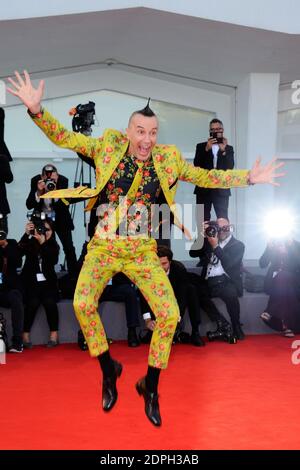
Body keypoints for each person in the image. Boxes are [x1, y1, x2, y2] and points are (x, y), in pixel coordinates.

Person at [7, 70, 283, 427]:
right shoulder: (107, 145)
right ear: (128, 132)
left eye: (153, 133)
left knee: (168, 314)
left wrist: (247, 177)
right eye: (141, 131)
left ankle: (149, 386)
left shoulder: (166, 159)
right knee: (81, 303)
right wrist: (36, 110)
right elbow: (65, 138)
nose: (147, 139)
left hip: (140, 250)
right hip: (105, 246)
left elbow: (205, 176)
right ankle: (109, 369)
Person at [140, 245, 205, 346]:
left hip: (176, 300)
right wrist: (148, 320)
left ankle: (195, 332)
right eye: (158, 264)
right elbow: (144, 295)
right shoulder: (150, 271)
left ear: (170, 262)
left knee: (191, 289)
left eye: (164, 264)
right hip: (159, 301)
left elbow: (182, 296)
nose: (161, 267)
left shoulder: (179, 269)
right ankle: (154, 331)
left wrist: (177, 318)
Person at [197, 218, 246, 340]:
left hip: (226, 281)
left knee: (231, 293)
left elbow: (229, 264)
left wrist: (216, 246)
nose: (223, 231)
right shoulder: (209, 239)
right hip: (208, 281)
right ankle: (222, 322)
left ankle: (236, 325)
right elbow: (193, 253)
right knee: (195, 292)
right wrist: (201, 236)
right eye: (220, 228)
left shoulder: (238, 245)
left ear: (230, 227)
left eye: (226, 228)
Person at [26, 164, 78, 277]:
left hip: (61, 219)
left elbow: (64, 205)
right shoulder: (36, 181)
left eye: (53, 178)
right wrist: (39, 192)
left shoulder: (63, 180)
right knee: (45, 248)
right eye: (47, 178)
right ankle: (46, 275)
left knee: (69, 247)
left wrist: (55, 192)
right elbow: (29, 205)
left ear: (57, 175)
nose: (50, 181)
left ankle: (74, 276)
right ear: (42, 176)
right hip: (42, 218)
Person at [19, 218, 60, 348]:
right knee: (32, 302)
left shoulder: (53, 245)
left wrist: (43, 243)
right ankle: (25, 335)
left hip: (48, 285)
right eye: (43, 229)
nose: (45, 232)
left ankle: (54, 335)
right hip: (32, 284)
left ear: (52, 231)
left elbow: (52, 260)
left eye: (48, 230)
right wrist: (26, 234)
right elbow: (19, 251)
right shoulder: (31, 242)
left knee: (49, 302)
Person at [193, 118, 234, 222]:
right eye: (213, 129)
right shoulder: (201, 146)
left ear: (222, 130)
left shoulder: (228, 148)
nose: (216, 132)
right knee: (202, 220)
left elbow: (230, 167)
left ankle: (223, 239)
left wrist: (223, 150)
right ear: (210, 131)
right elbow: (197, 165)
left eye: (218, 129)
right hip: (204, 189)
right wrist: (207, 149)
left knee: (223, 220)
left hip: (221, 189)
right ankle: (203, 239)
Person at [259, 238, 300, 337]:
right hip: (273, 282)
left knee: (284, 278)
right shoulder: (273, 243)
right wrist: (269, 249)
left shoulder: (295, 245)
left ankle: (270, 312)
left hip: (293, 280)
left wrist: (291, 248)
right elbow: (262, 264)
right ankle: (289, 327)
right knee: (287, 288)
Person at [0, 227, 24, 353]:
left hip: (10, 289)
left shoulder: (12, 243)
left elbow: (18, 262)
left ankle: (17, 342)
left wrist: (5, 246)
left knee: (16, 296)